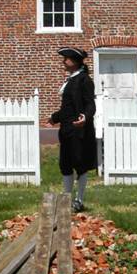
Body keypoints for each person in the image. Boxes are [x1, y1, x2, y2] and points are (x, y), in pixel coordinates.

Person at [49, 47, 97, 211]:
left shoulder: (84, 80)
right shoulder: (70, 80)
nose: (64, 61)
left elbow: (90, 104)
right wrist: (54, 118)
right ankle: (67, 199)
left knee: (80, 164)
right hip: (67, 130)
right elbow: (67, 108)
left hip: (80, 131)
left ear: (75, 62)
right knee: (66, 164)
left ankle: (79, 200)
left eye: (66, 59)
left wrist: (86, 117)